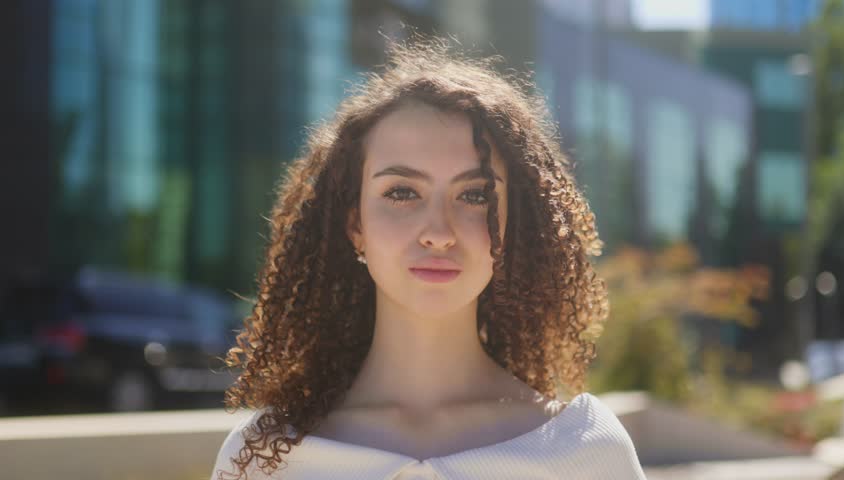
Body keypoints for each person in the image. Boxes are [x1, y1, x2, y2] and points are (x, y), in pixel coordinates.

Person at [210, 37, 646, 480]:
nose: (439, 232)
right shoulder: (262, 460)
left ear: (514, 227)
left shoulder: (585, 450)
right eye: (402, 192)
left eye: (475, 195)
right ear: (354, 225)